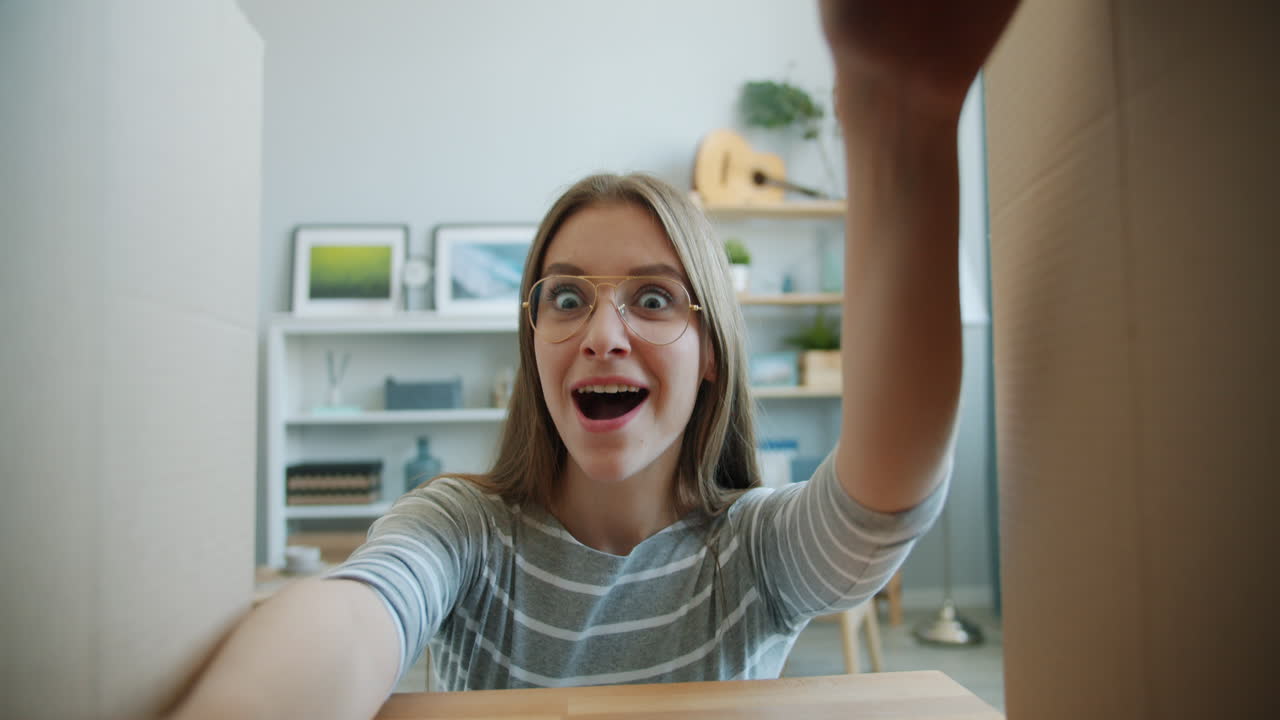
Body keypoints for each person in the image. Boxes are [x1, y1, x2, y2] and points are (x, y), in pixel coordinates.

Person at [168, 2, 1019, 718]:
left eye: (652, 300)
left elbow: (885, 492)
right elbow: (355, 613)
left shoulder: (754, 550)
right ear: (533, 337)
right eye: (567, 298)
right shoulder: (465, 529)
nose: (601, 333)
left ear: (712, 353)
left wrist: (899, 113)